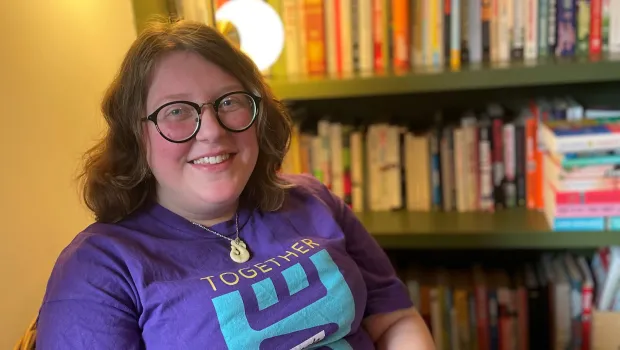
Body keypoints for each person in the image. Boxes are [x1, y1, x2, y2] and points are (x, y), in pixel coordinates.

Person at [35, 18, 435, 350]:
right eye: (176, 110)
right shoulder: (100, 266)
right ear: (137, 138)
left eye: (229, 101)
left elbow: (395, 321)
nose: (211, 130)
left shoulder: (313, 200)